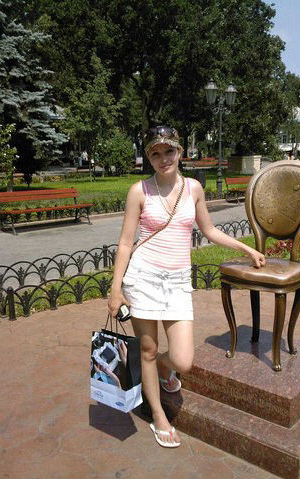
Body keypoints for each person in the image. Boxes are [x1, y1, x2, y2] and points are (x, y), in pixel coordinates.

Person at [108, 125, 266, 448]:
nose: (163, 158)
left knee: (183, 360)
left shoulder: (193, 188)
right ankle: (158, 416)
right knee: (148, 349)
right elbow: (125, 242)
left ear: (180, 152)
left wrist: (247, 249)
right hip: (143, 278)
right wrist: (115, 289)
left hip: (178, 281)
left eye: (169, 151)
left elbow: (209, 230)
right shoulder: (139, 191)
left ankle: (164, 368)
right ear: (148, 157)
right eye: (155, 153)